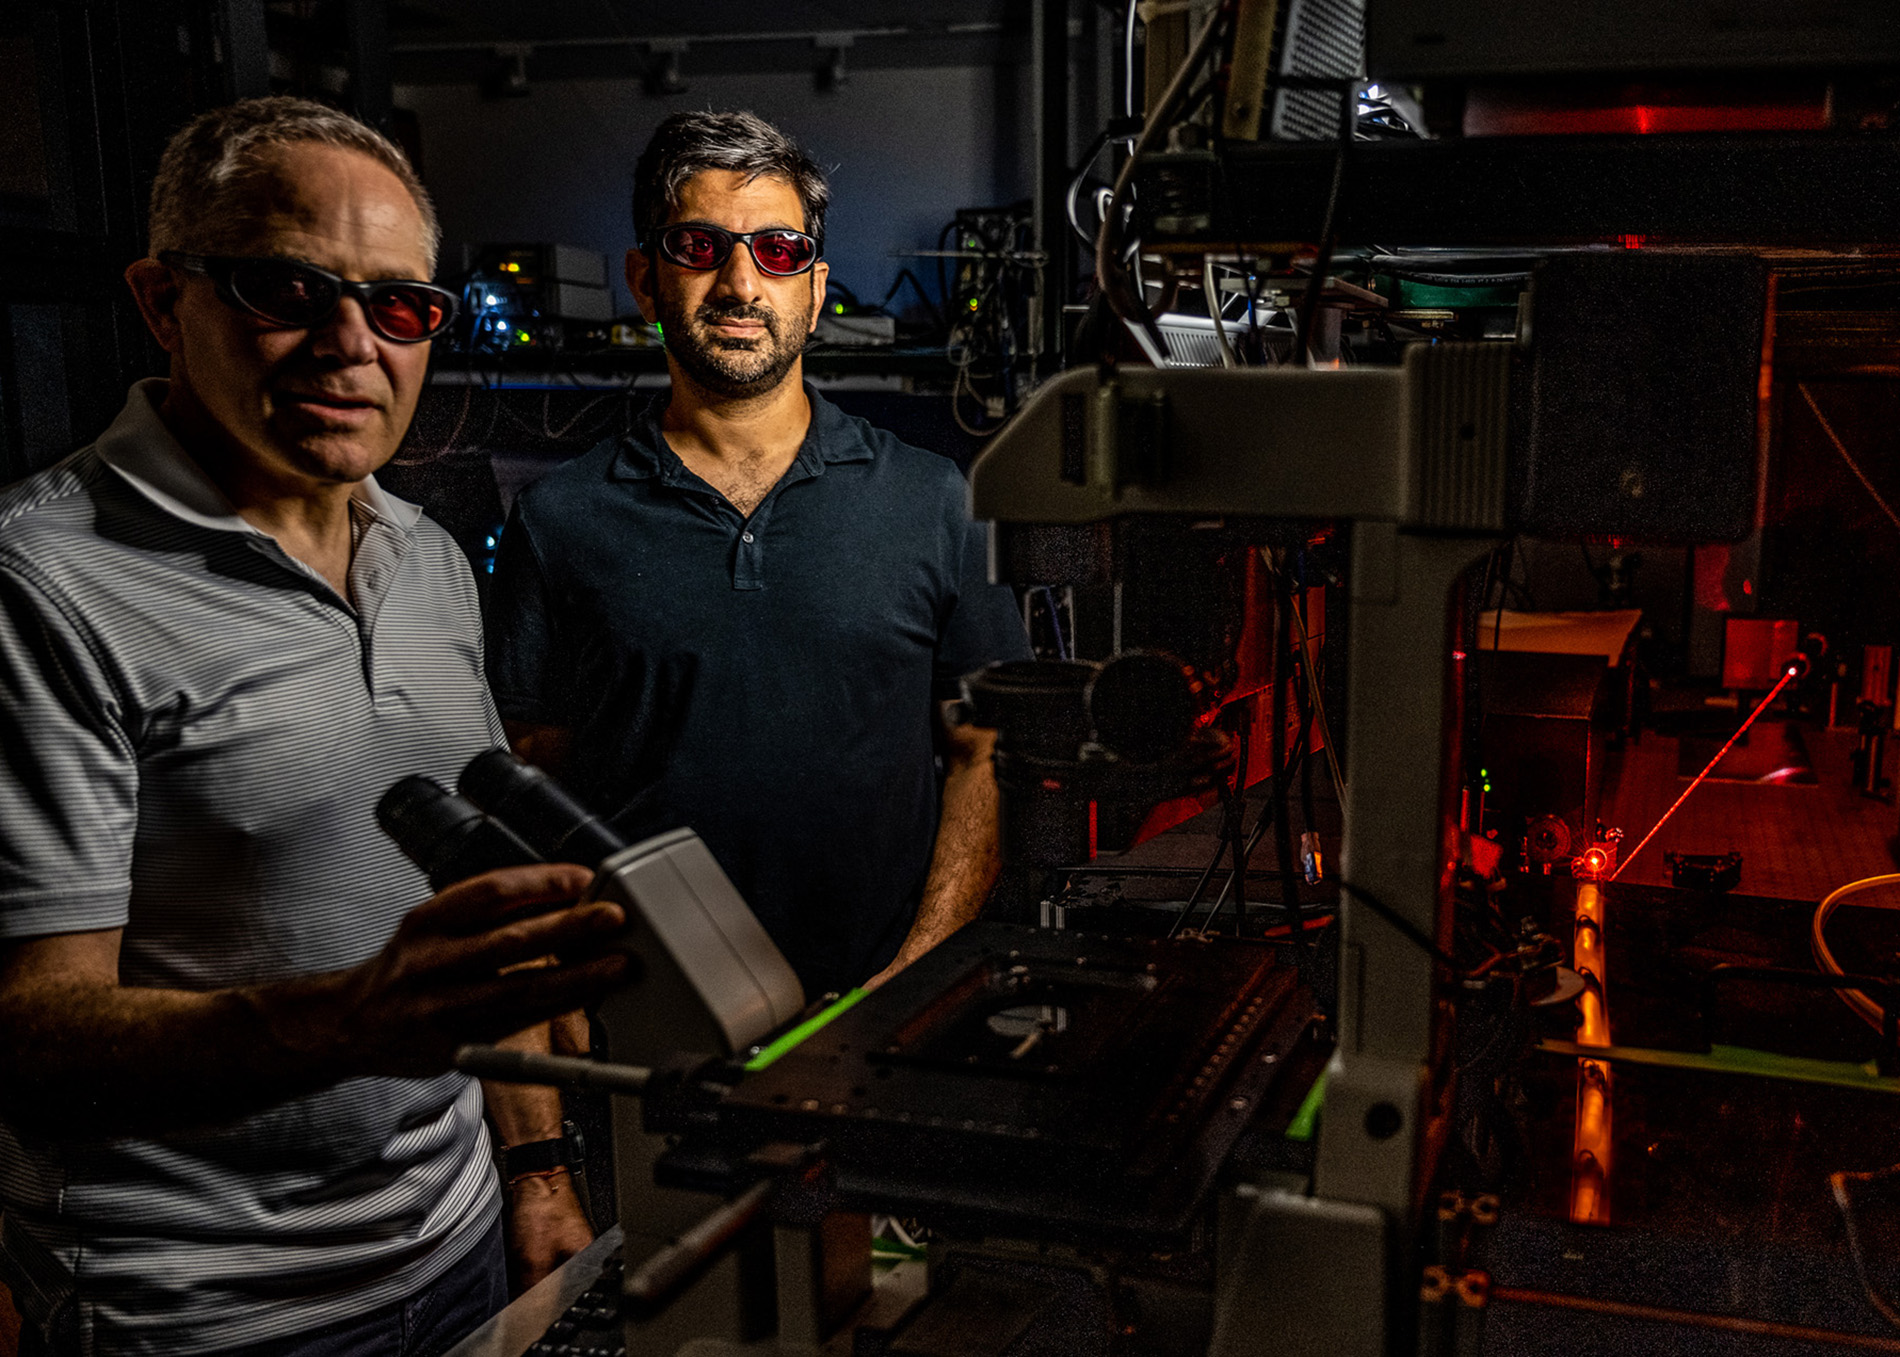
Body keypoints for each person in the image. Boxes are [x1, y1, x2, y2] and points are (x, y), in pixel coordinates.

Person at [0, 97, 624, 1355]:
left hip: (457, 1245)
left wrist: (537, 1170)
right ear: (161, 300)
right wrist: (342, 1019)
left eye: (401, 306)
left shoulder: (432, 558)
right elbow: (31, 1024)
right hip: (206, 1307)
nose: (352, 344)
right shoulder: (43, 581)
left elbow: (477, 930)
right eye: (285, 287)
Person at [487, 110, 1030, 998]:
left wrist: (917, 966)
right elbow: (531, 776)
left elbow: (987, 748)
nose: (740, 283)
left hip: (873, 1005)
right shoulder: (560, 519)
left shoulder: (935, 500)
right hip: (649, 1013)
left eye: (778, 251)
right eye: (699, 246)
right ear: (645, 280)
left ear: (814, 292)